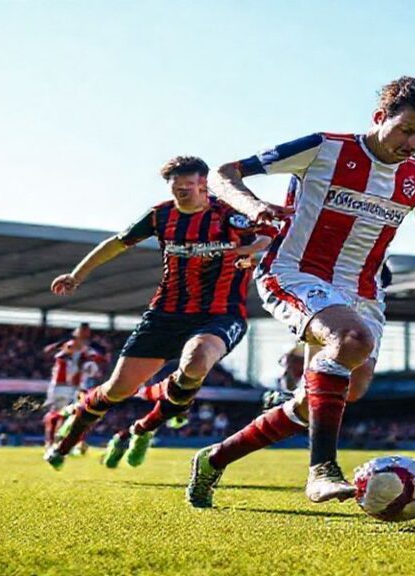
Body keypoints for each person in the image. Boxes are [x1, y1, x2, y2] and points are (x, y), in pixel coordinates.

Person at [188, 75, 415, 507]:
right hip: (294, 271)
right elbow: (223, 174)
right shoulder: (325, 148)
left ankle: (214, 459)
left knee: (334, 395)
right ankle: (321, 471)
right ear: (380, 116)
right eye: (408, 129)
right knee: (351, 341)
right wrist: (254, 206)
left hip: (363, 291)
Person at [43, 156, 274, 469]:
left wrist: (246, 250)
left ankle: (144, 428)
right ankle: (64, 444)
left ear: (204, 185)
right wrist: (77, 274)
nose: (181, 195)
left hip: (220, 313)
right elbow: (118, 242)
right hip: (165, 314)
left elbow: (269, 234)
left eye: (187, 189)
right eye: (176, 189)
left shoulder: (230, 214)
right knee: (117, 390)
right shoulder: (160, 215)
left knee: (195, 361)